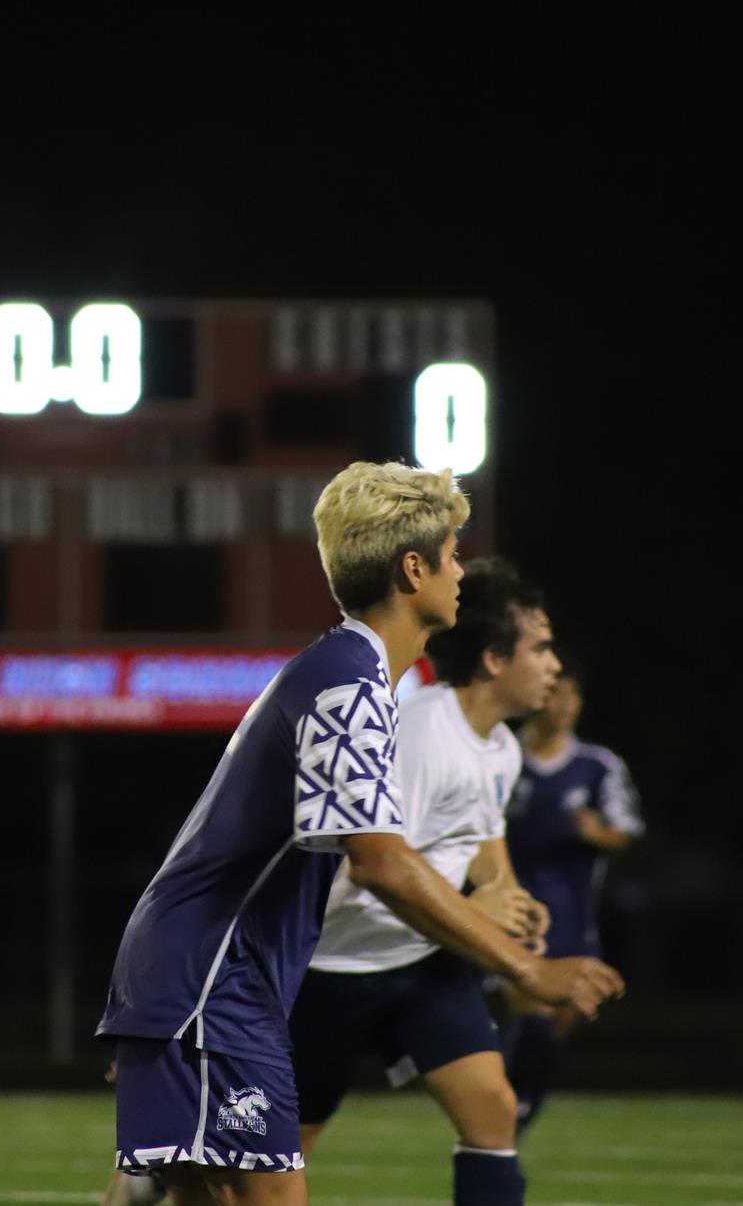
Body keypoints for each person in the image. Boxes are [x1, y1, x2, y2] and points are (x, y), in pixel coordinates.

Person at [96, 462, 624, 1206]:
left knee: (192, 1197)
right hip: (213, 979)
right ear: (414, 569)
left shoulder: (351, 676)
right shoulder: (350, 688)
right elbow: (380, 864)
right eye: (451, 554)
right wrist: (524, 967)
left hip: (209, 974)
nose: (460, 571)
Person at [289, 558, 567, 1206]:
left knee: (493, 1108)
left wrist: (509, 895)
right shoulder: (420, 732)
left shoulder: (500, 744)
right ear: (495, 659)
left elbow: (481, 838)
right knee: (279, 1158)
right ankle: (162, 1166)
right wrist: (507, 945)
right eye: (542, 647)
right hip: (330, 968)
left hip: (419, 963)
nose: (555, 665)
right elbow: (381, 865)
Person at [500, 669, 644, 1134]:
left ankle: (518, 1111)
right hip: (511, 917)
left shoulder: (597, 765)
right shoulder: (501, 757)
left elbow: (626, 830)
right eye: (555, 694)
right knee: (534, 1012)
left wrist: (595, 832)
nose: (563, 706)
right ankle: (502, 1114)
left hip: (574, 919)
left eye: (573, 695)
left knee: (560, 1022)